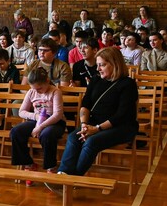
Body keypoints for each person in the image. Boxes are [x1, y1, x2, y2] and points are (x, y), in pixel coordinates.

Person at [56, 47, 139, 180]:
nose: (98, 69)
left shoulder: (128, 84)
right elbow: (85, 105)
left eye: (102, 65)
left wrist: (97, 128)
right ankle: (63, 174)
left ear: (115, 64)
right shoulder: (96, 80)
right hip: (94, 125)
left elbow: (122, 115)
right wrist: (84, 124)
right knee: (73, 137)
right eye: (98, 65)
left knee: (91, 142)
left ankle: (73, 180)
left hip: (121, 127)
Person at [10, 67, 65, 183]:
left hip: (54, 122)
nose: (37, 91)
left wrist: (40, 126)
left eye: (39, 88)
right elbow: (21, 112)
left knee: (46, 134)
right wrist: (36, 117)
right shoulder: (32, 92)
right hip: (37, 119)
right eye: (34, 88)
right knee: (15, 132)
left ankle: (51, 166)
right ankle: (28, 163)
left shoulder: (55, 92)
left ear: (47, 81)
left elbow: (57, 115)